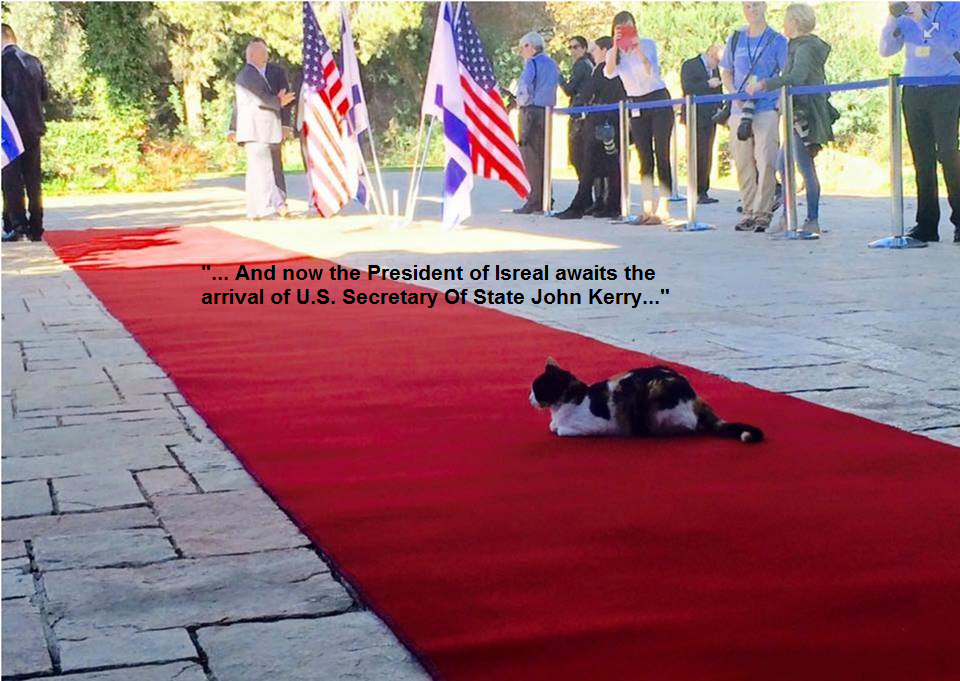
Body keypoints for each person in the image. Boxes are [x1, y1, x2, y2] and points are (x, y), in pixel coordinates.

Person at [749, 3, 837, 235]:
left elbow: (797, 77)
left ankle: (810, 218)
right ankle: (790, 215)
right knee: (784, 164)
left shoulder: (805, 48)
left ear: (795, 22)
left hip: (804, 113)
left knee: (804, 167)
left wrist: (766, 84)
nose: (784, 24)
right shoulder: (798, 46)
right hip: (797, 110)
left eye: (787, 20)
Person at [880, 1, 960, 243]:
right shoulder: (905, 13)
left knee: (948, 153)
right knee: (921, 158)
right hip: (914, 89)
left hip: (947, 86)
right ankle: (926, 224)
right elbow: (886, 50)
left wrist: (922, 21)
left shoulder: (953, 9)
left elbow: (952, 45)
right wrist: (892, 18)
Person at [720, 1, 789, 233]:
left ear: (765, 6)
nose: (752, 10)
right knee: (743, 162)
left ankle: (763, 212)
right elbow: (726, 71)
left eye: (756, 5)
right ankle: (748, 210)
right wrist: (733, 92)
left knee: (766, 161)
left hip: (765, 107)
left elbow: (786, 74)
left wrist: (779, 103)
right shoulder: (736, 38)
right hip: (739, 109)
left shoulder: (777, 40)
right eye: (748, 6)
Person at [605, 10, 674, 225]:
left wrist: (638, 49)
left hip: (657, 98)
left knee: (661, 152)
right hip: (636, 102)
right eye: (620, 28)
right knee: (644, 155)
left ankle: (664, 205)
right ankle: (646, 207)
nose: (625, 32)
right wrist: (616, 46)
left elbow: (650, 70)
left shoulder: (647, 44)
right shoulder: (614, 53)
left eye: (628, 27)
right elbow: (609, 72)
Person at [555, 37, 626, 220]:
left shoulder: (603, 69)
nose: (592, 53)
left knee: (588, 163)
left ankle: (581, 204)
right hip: (613, 119)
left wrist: (577, 108)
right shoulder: (620, 69)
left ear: (605, 51)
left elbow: (587, 92)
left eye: (595, 50)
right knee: (611, 164)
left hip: (600, 120)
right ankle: (610, 204)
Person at [229, 40, 295, 220]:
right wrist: (279, 101)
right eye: (263, 52)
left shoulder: (254, 74)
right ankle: (265, 209)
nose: (267, 55)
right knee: (263, 171)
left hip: (260, 131)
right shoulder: (249, 75)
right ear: (252, 55)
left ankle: (254, 210)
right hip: (258, 131)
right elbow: (261, 98)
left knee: (257, 172)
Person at [2, 23, 47, 242]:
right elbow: (44, 94)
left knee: (11, 180)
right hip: (34, 127)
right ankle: (36, 225)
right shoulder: (34, 61)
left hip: (10, 130)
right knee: (33, 178)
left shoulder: (2, 63)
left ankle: (16, 225)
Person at [513, 32, 559, 215]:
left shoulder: (531, 63)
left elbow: (525, 87)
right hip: (546, 112)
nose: (521, 51)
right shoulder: (552, 64)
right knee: (544, 157)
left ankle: (534, 200)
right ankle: (547, 197)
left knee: (531, 157)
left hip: (531, 111)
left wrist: (519, 102)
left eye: (523, 47)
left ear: (531, 47)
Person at [680, 45, 723, 204]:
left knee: (707, 153)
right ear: (710, 54)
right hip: (695, 115)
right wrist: (707, 84)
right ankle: (695, 189)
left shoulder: (715, 69)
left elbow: (718, 89)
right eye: (716, 60)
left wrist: (720, 107)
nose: (717, 64)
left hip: (710, 116)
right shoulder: (690, 65)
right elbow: (687, 87)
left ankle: (703, 190)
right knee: (696, 152)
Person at [559, 36, 594, 191]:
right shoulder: (589, 64)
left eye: (576, 47)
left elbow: (569, 89)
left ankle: (585, 192)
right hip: (584, 111)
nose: (573, 50)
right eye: (570, 47)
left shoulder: (581, 65)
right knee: (582, 156)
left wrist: (559, 77)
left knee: (577, 155)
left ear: (584, 48)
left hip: (579, 114)